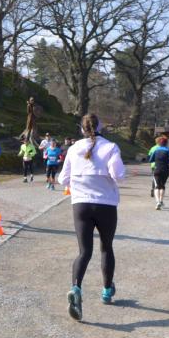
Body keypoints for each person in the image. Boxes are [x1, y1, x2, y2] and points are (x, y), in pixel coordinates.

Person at [58, 114, 125, 320]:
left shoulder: (73, 148)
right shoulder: (111, 147)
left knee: (84, 252)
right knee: (106, 248)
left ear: (82, 129)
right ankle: (106, 291)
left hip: (81, 205)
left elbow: (62, 179)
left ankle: (76, 288)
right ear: (100, 127)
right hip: (105, 204)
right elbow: (118, 175)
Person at [148, 135, 169, 210]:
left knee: (157, 186)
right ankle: (161, 201)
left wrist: (157, 160)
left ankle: (157, 202)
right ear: (166, 143)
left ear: (159, 143)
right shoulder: (168, 150)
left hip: (157, 169)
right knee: (162, 186)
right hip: (166, 169)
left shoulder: (156, 150)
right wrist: (167, 161)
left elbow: (150, 160)